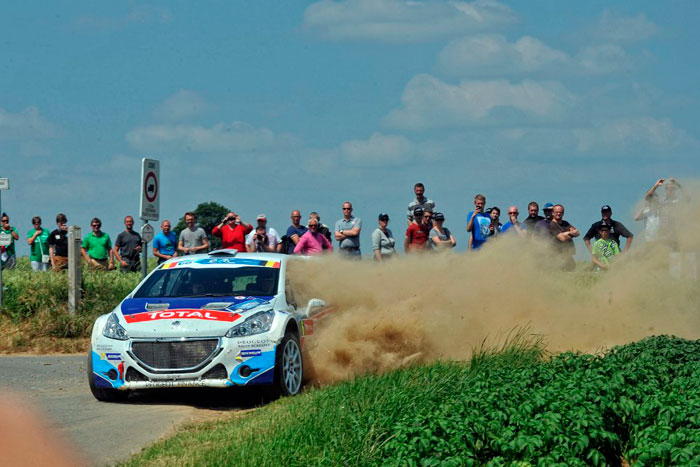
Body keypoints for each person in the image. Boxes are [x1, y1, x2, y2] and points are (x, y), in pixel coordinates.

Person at [549, 204, 580, 271]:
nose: (559, 213)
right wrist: (570, 233)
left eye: (561, 212)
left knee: (572, 272)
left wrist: (567, 234)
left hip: (568, 255)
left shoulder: (566, 223)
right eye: (557, 212)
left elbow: (577, 232)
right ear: (553, 213)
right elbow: (562, 238)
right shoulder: (552, 225)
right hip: (558, 256)